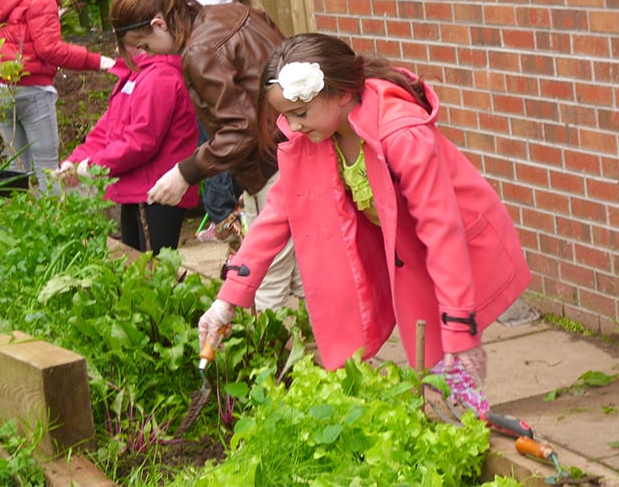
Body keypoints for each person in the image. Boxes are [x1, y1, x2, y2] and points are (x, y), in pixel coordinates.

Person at [197, 33, 531, 416]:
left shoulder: (402, 134)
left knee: (451, 373)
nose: (291, 125)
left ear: (341, 93)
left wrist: (460, 328)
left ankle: (473, 437)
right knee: (435, 377)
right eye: (284, 116)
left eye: (300, 113)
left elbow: (443, 233)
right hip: (407, 257)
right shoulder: (315, 135)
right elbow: (278, 213)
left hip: (457, 254)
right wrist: (228, 299)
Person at [109, 0, 303, 310]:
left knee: (260, 280)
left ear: (159, 23)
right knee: (302, 271)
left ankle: (274, 356)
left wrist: (185, 174)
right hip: (296, 149)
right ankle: (325, 354)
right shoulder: (232, 12)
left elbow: (241, 130)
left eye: (145, 45)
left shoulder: (200, 50)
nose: (152, 54)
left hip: (271, 166)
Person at [54, 47, 199, 255]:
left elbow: (141, 142)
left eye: (123, 38)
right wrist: (75, 160)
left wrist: (92, 166)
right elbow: (106, 131)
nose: (116, 47)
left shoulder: (160, 77)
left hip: (157, 192)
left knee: (154, 271)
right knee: (134, 266)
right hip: (132, 191)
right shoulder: (133, 76)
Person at [0, 0, 115, 194]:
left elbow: (15, 37)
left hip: (2, 88)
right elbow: (50, 49)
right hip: (34, 89)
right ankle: (55, 223)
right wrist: (97, 61)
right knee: (48, 169)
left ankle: (17, 220)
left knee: (15, 168)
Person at [182, 0, 244, 244]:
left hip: (215, 98)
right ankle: (233, 218)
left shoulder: (203, 4)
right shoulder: (233, 5)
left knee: (216, 152)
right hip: (225, 95)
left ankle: (223, 219)